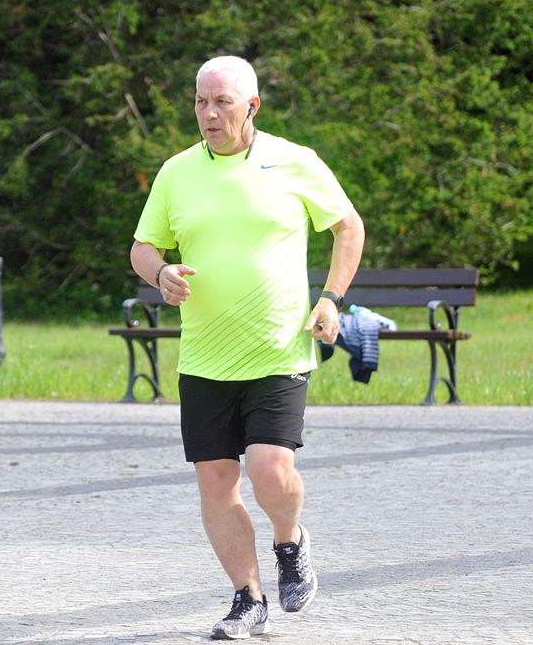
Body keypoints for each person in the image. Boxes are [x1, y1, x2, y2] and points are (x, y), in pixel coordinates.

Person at [130, 55, 364, 639]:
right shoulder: (176, 172)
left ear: (252, 106)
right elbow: (143, 247)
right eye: (200, 102)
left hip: (277, 349)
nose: (209, 114)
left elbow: (348, 226)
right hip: (204, 356)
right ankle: (248, 598)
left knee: (270, 469)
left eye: (222, 103)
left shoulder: (294, 160)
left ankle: (290, 540)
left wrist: (331, 299)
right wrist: (160, 274)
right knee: (216, 480)